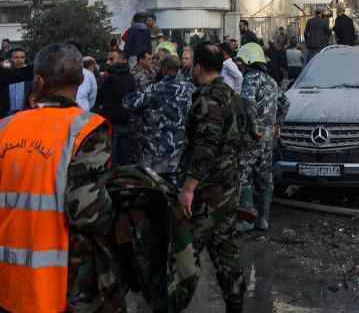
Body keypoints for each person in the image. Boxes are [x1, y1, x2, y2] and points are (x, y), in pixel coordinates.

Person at [0, 43, 119, 313]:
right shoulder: (86, 130)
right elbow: (89, 215)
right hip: (61, 286)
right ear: (81, 80)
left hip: (7, 282)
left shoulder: (3, 131)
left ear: (38, 81)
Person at [179, 42, 247, 313]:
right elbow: (247, 136)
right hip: (229, 184)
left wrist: (189, 187)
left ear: (197, 67)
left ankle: (172, 301)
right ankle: (236, 304)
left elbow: (206, 146)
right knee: (225, 247)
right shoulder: (233, 97)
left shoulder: (208, 100)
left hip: (208, 190)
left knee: (185, 250)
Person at [235, 43, 289, 232]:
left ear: (249, 61)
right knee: (265, 177)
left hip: (252, 138)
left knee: (244, 175)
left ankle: (247, 220)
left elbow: (248, 103)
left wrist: (254, 127)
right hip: (268, 139)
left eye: (241, 62)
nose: (239, 66)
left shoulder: (249, 79)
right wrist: (277, 125)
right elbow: (285, 103)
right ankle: (263, 220)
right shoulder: (271, 81)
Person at [123, 54, 194, 184]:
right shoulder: (190, 89)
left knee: (155, 189)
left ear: (164, 68)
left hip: (156, 151)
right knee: (176, 189)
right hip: (180, 150)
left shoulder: (154, 88)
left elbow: (129, 103)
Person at [96, 49, 138, 165]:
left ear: (122, 60)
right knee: (124, 157)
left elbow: (101, 98)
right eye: (108, 59)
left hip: (112, 123)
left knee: (112, 158)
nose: (108, 62)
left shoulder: (110, 78)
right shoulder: (130, 77)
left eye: (111, 59)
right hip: (126, 121)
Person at [0, 47, 34, 127]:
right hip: (6, 117)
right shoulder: (2, 75)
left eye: (22, 57)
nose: (19, 60)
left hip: (25, 116)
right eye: (16, 57)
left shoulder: (30, 74)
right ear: (10, 59)